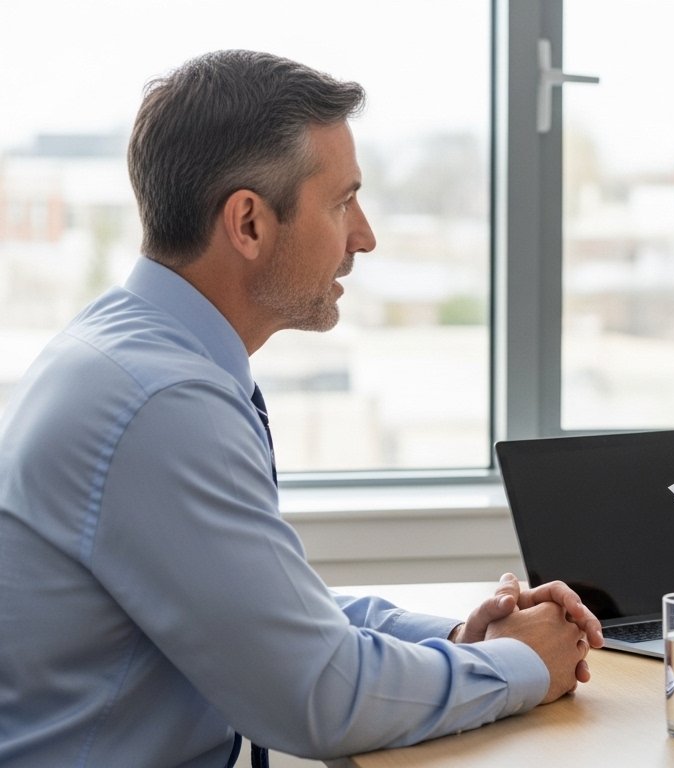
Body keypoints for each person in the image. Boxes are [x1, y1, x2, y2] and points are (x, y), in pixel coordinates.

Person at [0, 50, 604, 766]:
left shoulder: (130, 352)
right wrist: (524, 667)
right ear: (249, 223)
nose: (364, 236)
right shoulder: (163, 405)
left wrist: (458, 639)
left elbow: (267, 618)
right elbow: (320, 696)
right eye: (342, 201)